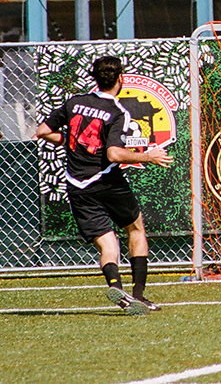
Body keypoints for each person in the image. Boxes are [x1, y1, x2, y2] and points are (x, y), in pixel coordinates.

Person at [36, 56, 173, 315]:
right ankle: (138, 295)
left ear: (94, 78)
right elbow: (114, 155)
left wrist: (70, 141)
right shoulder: (117, 111)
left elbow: (42, 130)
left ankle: (115, 286)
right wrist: (148, 156)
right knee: (135, 227)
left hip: (77, 185)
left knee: (107, 243)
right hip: (106, 181)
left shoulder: (74, 102)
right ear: (120, 78)